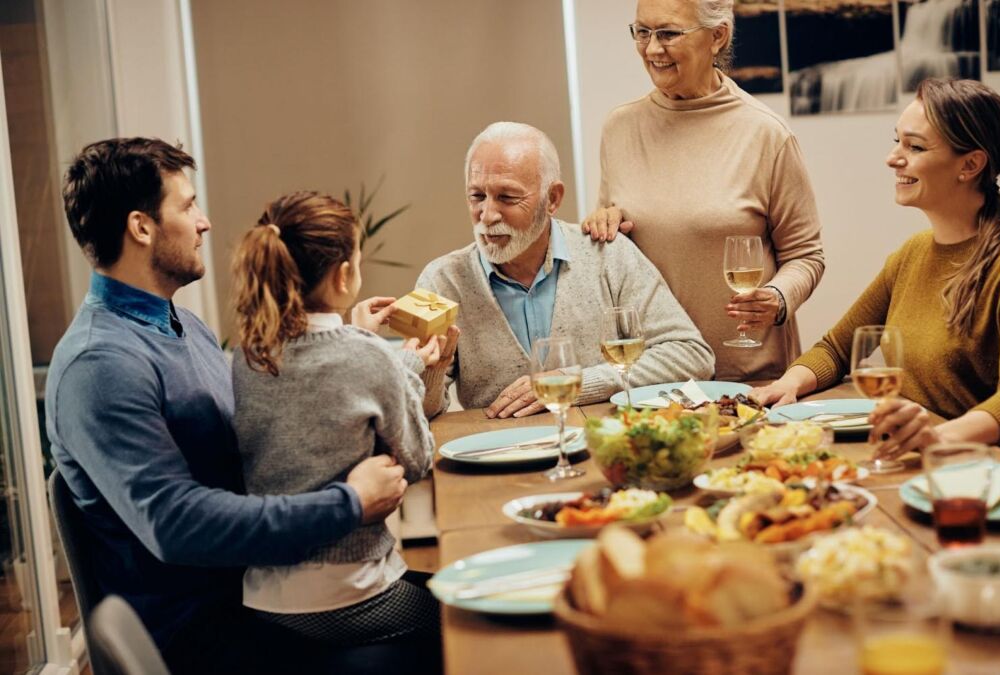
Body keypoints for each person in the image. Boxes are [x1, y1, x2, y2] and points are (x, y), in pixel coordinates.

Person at [44, 138, 413, 674]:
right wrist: (349, 503)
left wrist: (340, 341)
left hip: (261, 598)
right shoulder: (98, 366)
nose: (205, 221)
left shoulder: (178, 324)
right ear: (141, 227)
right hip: (210, 635)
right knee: (460, 630)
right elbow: (178, 524)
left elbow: (255, 421)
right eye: (188, 205)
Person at [752, 79, 1000, 465]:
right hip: (933, 462)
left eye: (915, 147)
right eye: (897, 140)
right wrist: (786, 386)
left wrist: (935, 436)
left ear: (970, 165)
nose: (892, 158)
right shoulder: (912, 254)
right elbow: (838, 349)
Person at [230, 191, 441, 646]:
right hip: (350, 596)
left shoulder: (246, 356)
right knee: (466, 620)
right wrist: (408, 367)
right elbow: (418, 459)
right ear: (344, 275)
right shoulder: (366, 357)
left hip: (264, 601)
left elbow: (315, 389)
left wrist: (357, 335)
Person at [581, 0, 825, 382]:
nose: (651, 49)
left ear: (718, 36)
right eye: (642, 32)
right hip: (654, 378)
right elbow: (617, 254)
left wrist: (777, 298)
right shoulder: (620, 127)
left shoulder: (766, 134)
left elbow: (806, 256)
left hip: (750, 379)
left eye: (668, 33)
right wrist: (602, 224)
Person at [417, 121, 714, 418]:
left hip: (604, 448)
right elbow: (421, 410)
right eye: (477, 196)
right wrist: (430, 373)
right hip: (499, 457)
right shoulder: (442, 281)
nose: (488, 215)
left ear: (553, 199)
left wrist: (577, 384)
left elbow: (691, 355)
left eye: (507, 197)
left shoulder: (607, 254)